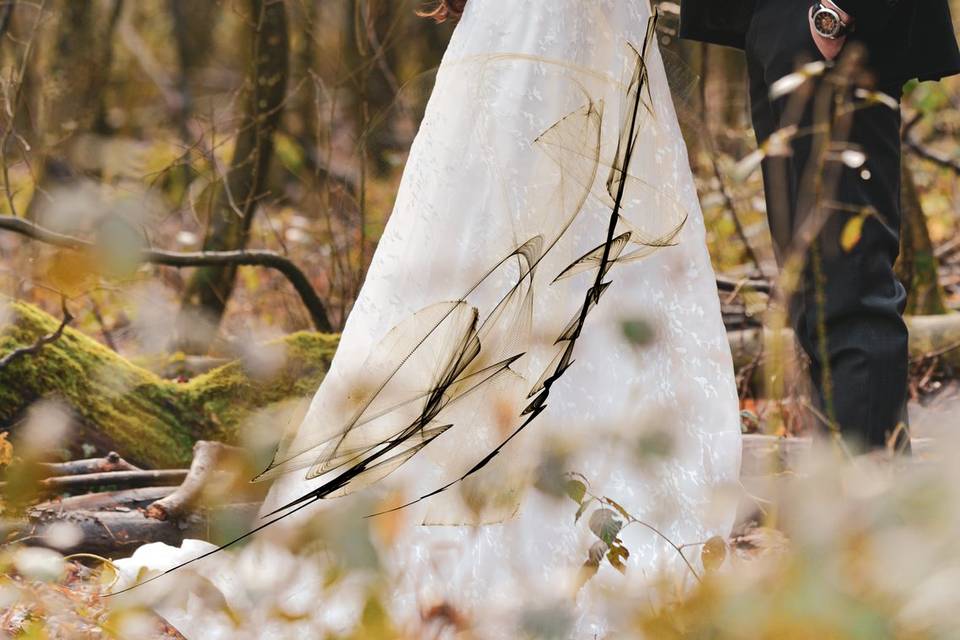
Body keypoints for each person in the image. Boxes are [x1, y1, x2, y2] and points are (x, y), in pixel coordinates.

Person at [114, 1, 742, 636]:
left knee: (576, 251)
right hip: (539, 27)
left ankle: (575, 504)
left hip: (594, 30)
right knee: (498, 238)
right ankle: (484, 524)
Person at [681, 0, 960, 450]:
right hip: (782, 24)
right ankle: (844, 500)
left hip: (829, 24)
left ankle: (871, 505)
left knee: (851, 293)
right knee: (814, 298)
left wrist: (834, 15)